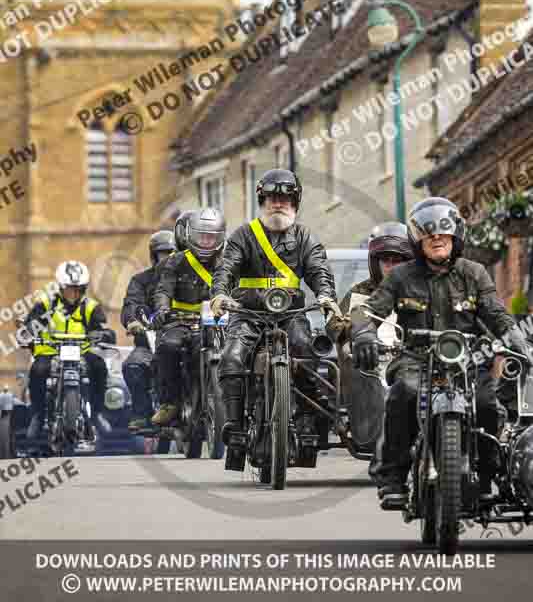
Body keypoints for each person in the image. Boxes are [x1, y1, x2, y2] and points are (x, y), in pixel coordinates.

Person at [351, 197, 531, 507]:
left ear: (455, 237)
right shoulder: (400, 276)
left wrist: (516, 337)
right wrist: (363, 332)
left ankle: (487, 475)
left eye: (443, 234)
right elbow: (368, 310)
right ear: (417, 239)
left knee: (487, 404)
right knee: (402, 395)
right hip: (415, 360)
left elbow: (494, 312)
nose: (436, 239)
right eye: (429, 234)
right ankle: (392, 477)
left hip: (467, 361)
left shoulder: (473, 273)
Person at [210, 168, 343, 454]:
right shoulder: (244, 236)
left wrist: (325, 296)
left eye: (285, 199)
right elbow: (226, 267)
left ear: (295, 203)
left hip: (291, 314)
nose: (278, 204)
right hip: (248, 314)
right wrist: (220, 293)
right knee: (231, 358)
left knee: (306, 350)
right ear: (262, 201)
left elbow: (319, 270)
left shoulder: (305, 237)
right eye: (271, 198)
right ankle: (234, 425)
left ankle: (308, 418)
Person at [333, 223, 414, 478]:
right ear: (375, 263)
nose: (390, 266)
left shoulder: (418, 289)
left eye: (397, 260)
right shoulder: (358, 293)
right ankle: (373, 438)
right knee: (354, 360)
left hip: (407, 357)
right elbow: (334, 324)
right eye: (385, 260)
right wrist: (349, 328)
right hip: (369, 360)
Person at [21, 261, 116, 439]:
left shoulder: (91, 307)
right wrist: (27, 334)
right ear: (60, 287)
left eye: (78, 288)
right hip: (50, 350)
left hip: (81, 350)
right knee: (37, 370)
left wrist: (103, 335)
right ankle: (38, 415)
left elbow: (102, 327)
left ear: (84, 288)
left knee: (99, 366)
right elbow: (31, 324)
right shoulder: (46, 304)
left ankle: (97, 413)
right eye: (69, 288)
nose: (74, 293)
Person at [152, 208, 226, 427]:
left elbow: (238, 289)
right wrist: (163, 309)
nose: (206, 242)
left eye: (211, 237)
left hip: (218, 322)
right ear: (190, 236)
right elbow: (163, 290)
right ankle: (170, 403)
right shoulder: (173, 262)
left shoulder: (227, 262)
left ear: (220, 237)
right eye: (202, 236)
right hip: (181, 321)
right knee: (168, 346)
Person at [121, 230, 176, 431]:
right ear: (154, 255)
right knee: (133, 366)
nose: (169, 257)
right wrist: (134, 321)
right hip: (150, 341)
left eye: (174, 252)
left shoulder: (190, 277)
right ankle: (142, 414)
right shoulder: (141, 281)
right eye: (164, 253)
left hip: (186, 335)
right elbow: (131, 304)